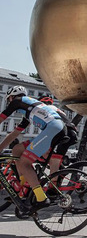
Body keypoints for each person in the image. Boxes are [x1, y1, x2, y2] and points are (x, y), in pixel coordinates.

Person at [0, 86, 65, 214]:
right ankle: (24, 185)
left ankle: (41, 198)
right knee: (17, 149)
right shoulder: (28, 110)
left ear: (12, 96)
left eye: (9, 100)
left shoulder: (17, 101)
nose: (9, 103)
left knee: (24, 163)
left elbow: (2, 118)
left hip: (53, 128)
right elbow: (13, 134)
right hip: (54, 128)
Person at [38, 95, 78, 174]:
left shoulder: (46, 109)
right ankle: (59, 176)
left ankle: (55, 176)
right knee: (56, 159)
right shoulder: (58, 109)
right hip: (71, 133)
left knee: (43, 153)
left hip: (62, 132)